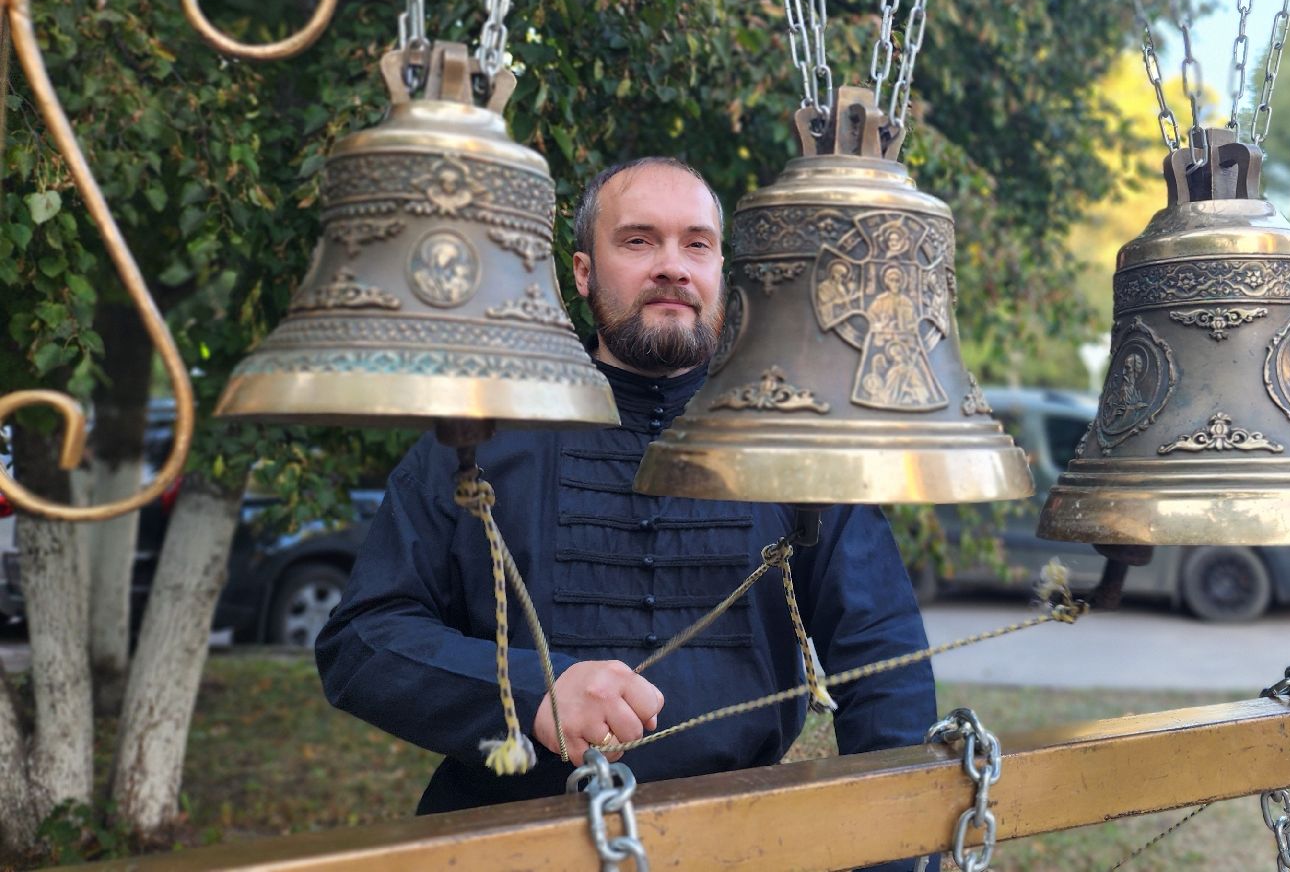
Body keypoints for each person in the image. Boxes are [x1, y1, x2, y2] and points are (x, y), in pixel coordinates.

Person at [316, 158, 937, 838]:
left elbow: (885, 666)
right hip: (509, 845)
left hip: (739, 841)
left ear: (721, 270)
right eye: (639, 241)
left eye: (696, 243)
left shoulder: (798, 440)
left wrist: (897, 848)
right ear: (583, 273)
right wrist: (533, 693)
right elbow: (362, 643)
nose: (673, 265)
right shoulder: (477, 439)